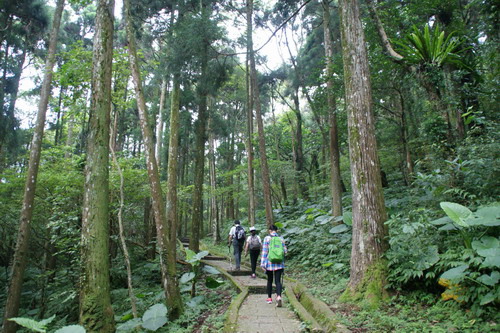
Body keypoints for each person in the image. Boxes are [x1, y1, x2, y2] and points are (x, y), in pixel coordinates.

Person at [260, 224, 287, 307]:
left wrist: (262, 264)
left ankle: (269, 298)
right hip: (279, 263)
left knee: (269, 280)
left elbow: (264, 252)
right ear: (277, 230)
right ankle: (278, 296)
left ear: (269, 230)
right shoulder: (281, 239)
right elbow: (285, 251)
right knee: (278, 281)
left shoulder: (267, 238)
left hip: (269, 263)